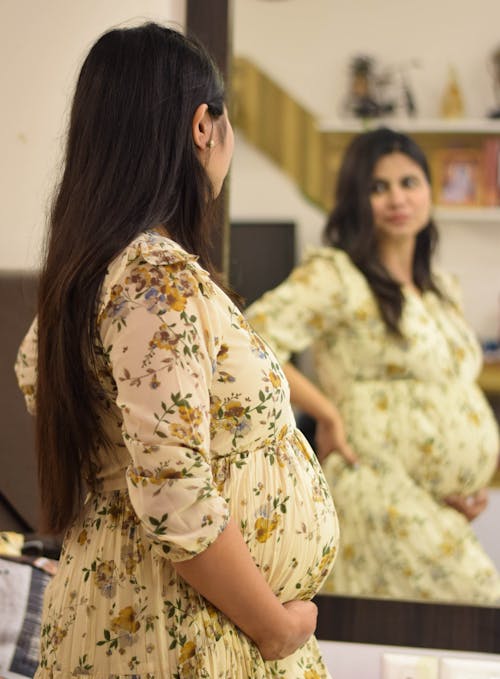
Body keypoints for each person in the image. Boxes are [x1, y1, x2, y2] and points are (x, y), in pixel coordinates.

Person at [15, 23, 339, 677]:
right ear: (203, 126)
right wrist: (277, 629)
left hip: (153, 614)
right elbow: (175, 501)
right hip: (182, 632)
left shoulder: (89, 273)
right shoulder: (152, 275)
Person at [246, 127, 500, 604]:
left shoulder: (441, 289)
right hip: (374, 487)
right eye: (378, 187)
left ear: (429, 191)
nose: (397, 198)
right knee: (480, 607)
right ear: (356, 200)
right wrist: (327, 412)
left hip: (429, 499)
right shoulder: (339, 275)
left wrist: (458, 480)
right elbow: (253, 336)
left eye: (409, 182)